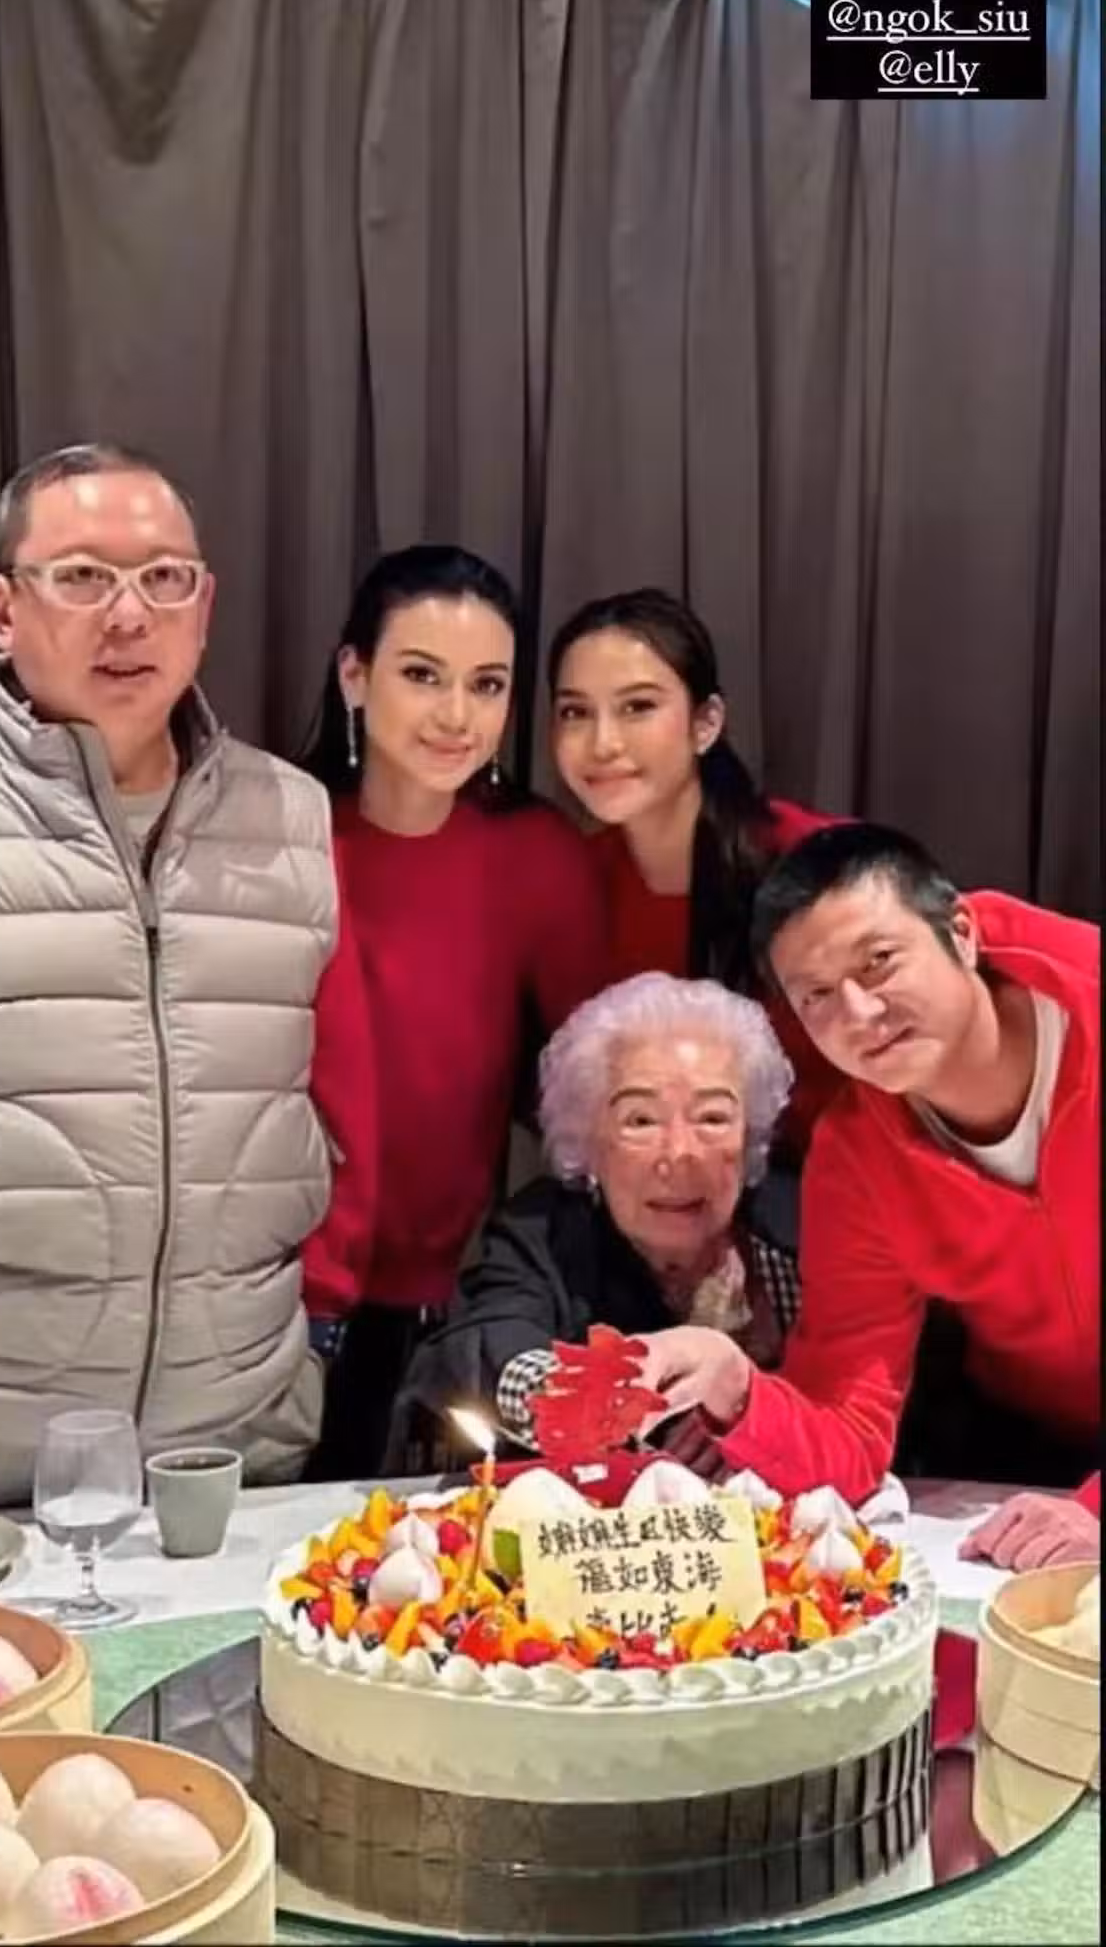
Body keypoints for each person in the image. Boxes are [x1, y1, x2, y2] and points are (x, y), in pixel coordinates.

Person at [0, 443, 375, 1508]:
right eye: (81, 576)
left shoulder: (289, 816)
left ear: (203, 606)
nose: (129, 615)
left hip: (232, 1452)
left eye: (164, 578)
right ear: (1, 608)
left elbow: (323, 1099)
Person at [633, 823, 1100, 1572]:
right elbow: (848, 1433)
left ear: (961, 933)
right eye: (816, 996)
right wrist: (734, 1383)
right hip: (1034, 1456)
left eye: (879, 963)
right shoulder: (856, 1160)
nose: (858, 1013)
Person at [299, 545, 611, 1476]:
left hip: (445, 1299)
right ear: (355, 675)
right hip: (263, 1288)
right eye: (422, 675)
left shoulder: (535, 856)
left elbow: (590, 1084)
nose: (456, 716)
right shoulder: (281, 830)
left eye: (487, 685)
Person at [393, 972, 796, 1463]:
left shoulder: (799, 1230)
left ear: (750, 1132)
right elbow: (485, 1345)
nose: (679, 1153)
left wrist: (754, 1414)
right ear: (589, 1140)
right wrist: (597, 1397)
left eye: (712, 1118)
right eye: (640, 1121)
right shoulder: (545, 1232)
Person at [548, 589, 841, 1254]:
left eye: (638, 707)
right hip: (656, 1223)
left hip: (838, 1212)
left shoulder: (813, 866)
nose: (603, 743)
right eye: (575, 712)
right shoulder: (572, 882)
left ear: (705, 722)